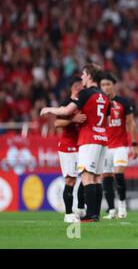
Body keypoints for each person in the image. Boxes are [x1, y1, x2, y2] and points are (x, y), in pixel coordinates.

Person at [41, 63, 110, 222]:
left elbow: (65, 111)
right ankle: (95, 214)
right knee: (96, 177)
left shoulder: (85, 94)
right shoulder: (104, 96)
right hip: (101, 137)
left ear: (90, 76)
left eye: (84, 74)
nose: (83, 78)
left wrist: (49, 109)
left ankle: (90, 215)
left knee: (86, 177)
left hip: (88, 138)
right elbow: (105, 118)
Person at [100, 72, 138, 219]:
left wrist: (134, 145)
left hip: (120, 145)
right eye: (103, 85)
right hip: (104, 146)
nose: (105, 87)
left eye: (108, 84)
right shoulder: (98, 103)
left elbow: (131, 124)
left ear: (113, 86)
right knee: (106, 178)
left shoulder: (123, 102)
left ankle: (122, 206)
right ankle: (110, 210)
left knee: (119, 175)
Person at [54, 76, 86, 223]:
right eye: (80, 85)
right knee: (70, 179)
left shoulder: (83, 103)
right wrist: (72, 120)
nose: (83, 87)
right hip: (68, 146)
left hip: (81, 145)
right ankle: (68, 214)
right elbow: (57, 123)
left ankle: (80, 208)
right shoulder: (67, 104)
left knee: (86, 177)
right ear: (74, 87)